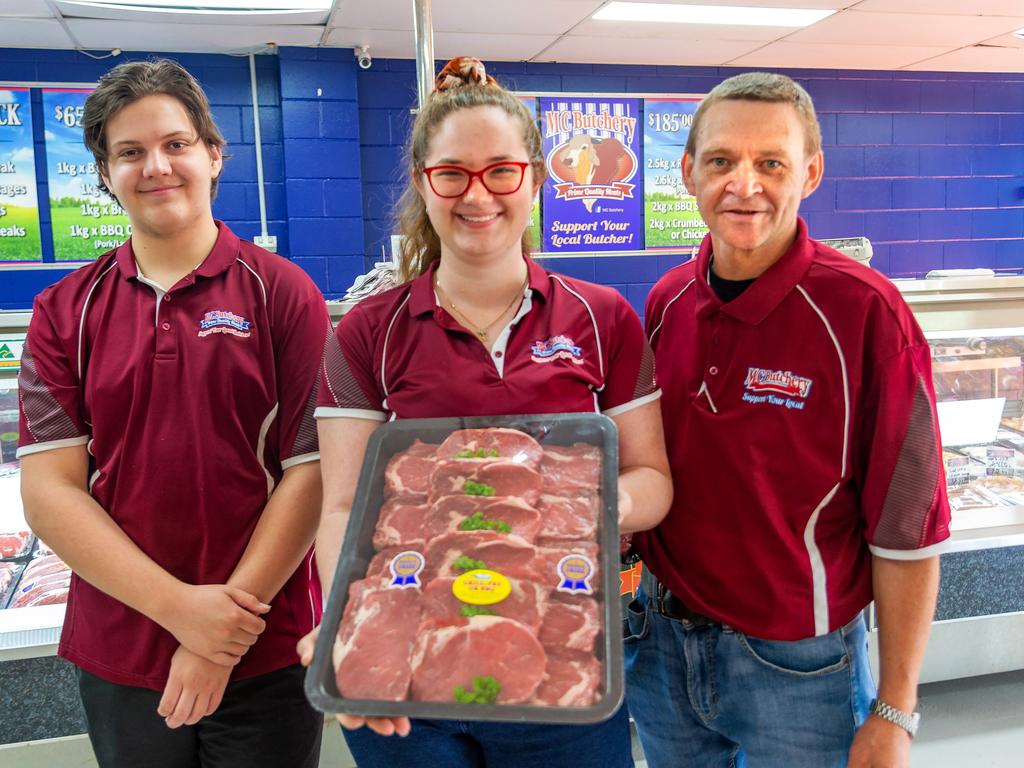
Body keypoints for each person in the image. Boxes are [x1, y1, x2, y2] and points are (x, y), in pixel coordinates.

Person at [296, 56, 673, 768]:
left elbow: (654, 479)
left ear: (533, 175)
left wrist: (585, 503)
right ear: (422, 182)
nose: (479, 196)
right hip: (410, 664)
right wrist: (345, 622)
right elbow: (345, 505)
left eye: (501, 170)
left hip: (566, 652)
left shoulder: (603, 318)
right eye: (452, 174)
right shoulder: (364, 334)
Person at [625, 71, 951, 768]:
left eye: (770, 162)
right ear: (688, 172)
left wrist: (895, 709)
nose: (744, 184)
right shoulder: (664, 302)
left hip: (799, 666)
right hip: (658, 642)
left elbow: (908, 529)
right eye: (720, 161)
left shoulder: (867, 313)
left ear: (810, 172)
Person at [18, 59, 329, 767]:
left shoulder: (283, 294)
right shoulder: (64, 311)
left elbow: (309, 475)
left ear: (213, 155)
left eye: (176, 144)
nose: (156, 166)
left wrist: (221, 633)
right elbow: (51, 492)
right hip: (122, 646)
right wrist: (184, 615)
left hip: (264, 644)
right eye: (130, 152)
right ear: (104, 172)